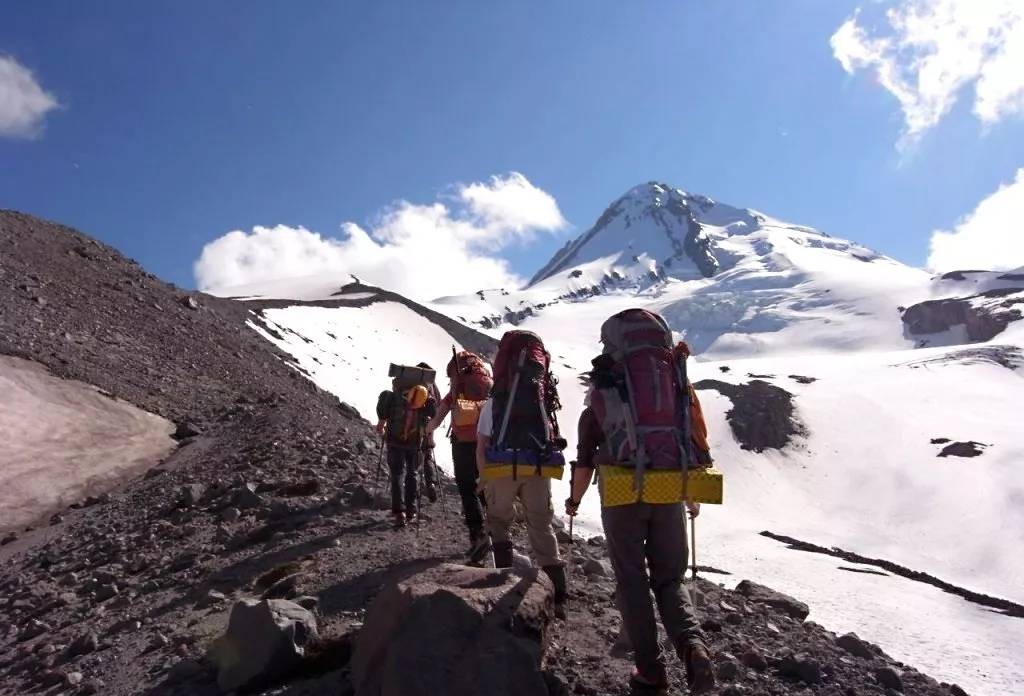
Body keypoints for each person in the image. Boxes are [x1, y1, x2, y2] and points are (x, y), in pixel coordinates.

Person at [564, 308, 715, 695]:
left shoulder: (602, 391)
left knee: (632, 581)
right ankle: (693, 647)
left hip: (621, 492)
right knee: (670, 579)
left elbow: (585, 457)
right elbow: (693, 435)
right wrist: (691, 493)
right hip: (667, 486)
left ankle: (651, 672)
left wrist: (574, 501)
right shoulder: (675, 383)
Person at [477, 330, 568, 618]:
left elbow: (482, 445)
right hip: (537, 466)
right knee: (541, 526)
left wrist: (484, 478)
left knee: (499, 522)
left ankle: (502, 582)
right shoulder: (542, 395)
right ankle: (560, 597)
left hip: (502, 467)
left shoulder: (496, 400)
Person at [426, 351, 492, 564]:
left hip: (463, 442)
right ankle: (495, 532)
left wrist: (428, 430)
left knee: (466, 487)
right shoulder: (486, 380)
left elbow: (442, 411)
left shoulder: (459, 384)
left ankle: (478, 535)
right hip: (488, 441)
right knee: (485, 484)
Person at [376, 368, 437, 527]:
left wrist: (382, 429)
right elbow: (432, 418)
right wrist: (429, 439)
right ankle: (411, 510)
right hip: (414, 443)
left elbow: (380, 425)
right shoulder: (425, 399)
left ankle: (399, 512)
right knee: (413, 473)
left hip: (395, 441)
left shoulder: (393, 397)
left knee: (397, 474)